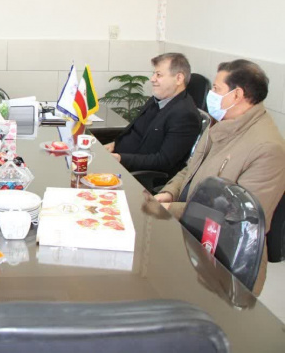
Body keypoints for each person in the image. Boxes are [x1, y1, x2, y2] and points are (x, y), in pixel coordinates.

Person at [155, 59, 285, 295]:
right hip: (185, 234)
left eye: (216, 89)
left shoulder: (267, 148)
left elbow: (237, 219)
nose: (211, 95)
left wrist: (172, 209)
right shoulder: (220, 124)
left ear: (237, 95)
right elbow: (190, 168)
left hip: (221, 261)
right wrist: (169, 193)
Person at [105, 53, 202, 178]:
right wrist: (114, 145)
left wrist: (120, 158)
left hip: (136, 175)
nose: (152, 79)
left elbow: (163, 161)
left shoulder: (185, 115)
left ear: (179, 78)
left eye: (159, 75)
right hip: (119, 159)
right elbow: (137, 131)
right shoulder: (158, 99)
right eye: (154, 74)